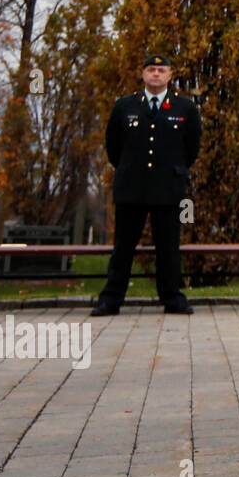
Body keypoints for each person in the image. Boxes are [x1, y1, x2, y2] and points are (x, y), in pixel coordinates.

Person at [92, 53, 201, 316]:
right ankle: (111, 299)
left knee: (168, 248)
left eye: (161, 70)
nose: (156, 74)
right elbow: (113, 147)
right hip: (132, 188)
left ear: (170, 76)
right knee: (123, 248)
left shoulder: (185, 108)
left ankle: (172, 297)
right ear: (143, 74)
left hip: (167, 189)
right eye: (151, 69)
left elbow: (191, 148)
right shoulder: (124, 106)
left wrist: (175, 171)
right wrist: (130, 169)